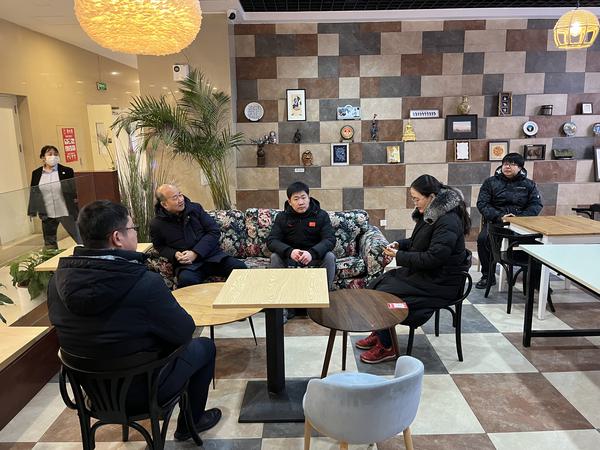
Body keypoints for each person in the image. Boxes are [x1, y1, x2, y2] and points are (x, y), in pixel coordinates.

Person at [47, 200, 221, 441]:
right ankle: (189, 424)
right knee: (205, 347)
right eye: (133, 228)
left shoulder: (56, 283)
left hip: (92, 393)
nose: (136, 233)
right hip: (145, 390)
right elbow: (184, 332)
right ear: (117, 237)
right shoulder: (144, 284)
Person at [357, 175, 471, 364]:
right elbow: (418, 242)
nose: (414, 203)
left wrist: (399, 256)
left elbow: (433, 258)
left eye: (417, 199)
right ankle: (381, 332)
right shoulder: (432, 214)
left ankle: (387, 347)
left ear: (431, 197)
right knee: (376, 283)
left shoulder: (448, 221)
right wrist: (399, 245)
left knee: (384, 294)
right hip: (427, 275)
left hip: (440, 282)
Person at [150, 184, 247, 287]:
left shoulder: (195, 209)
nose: (180, 200)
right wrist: (175, 254)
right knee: (186, 280)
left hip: (213, 257)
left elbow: (214, 231)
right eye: (175, 198)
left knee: (240, 268)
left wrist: (195, 253)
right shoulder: (157, 224)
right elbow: (159, 246)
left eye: (180, 195)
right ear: (164, 204)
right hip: (189, 265)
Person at [475, 152, 542, 289]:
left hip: (521, 223)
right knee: (483, 239)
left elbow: (536, 205)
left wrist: (519, 218)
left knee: (538, 243)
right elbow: (482, 203)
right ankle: (488, 275)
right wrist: (500, 216)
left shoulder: (529, 185)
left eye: (512, 164)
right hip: (497, 222)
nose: (507, 167)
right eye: (505, 164)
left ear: (520, 167)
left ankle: (535, 280)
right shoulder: (490, 182)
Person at [267, 181, 336, 300]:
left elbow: (330, 239)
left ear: (309, 198)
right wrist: (290, 252)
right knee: (275, 257)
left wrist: (311, 253)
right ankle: (280, 302)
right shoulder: (282, 217)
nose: (301, 202)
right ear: (290, 202)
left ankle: (324, 298)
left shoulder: (321, 215)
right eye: (296, 199)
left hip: (314, 257)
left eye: (303, 197)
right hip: (290, 258)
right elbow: (272, 241)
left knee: (329, 257)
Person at [27, 145, 82, 248]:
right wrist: (32, 210)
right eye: (50, 154)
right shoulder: (36, 173)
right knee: (49, 242)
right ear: (43, 157)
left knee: (79, 237)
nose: (53, 156)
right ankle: (52, 256)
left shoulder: (67, 171)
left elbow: (74, 190)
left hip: (65, 211)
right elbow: (34, 192)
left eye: (56, 154)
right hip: (47, 212)